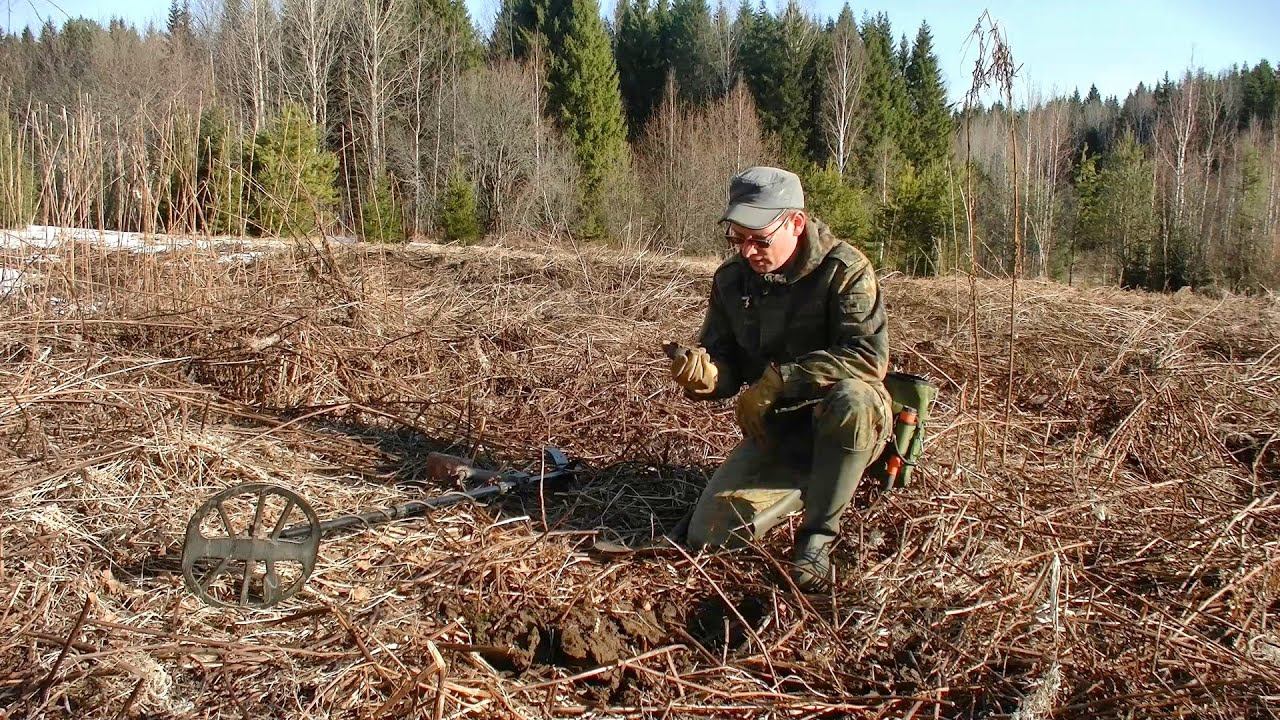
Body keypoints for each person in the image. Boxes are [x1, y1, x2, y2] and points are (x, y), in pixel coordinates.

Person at [668, 166, 891, 592]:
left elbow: (867, 358)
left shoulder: (844, 271)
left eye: (759, 239)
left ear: (796, 223)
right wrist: (708, 375)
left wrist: (777, 381)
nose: (747, 251)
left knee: (852, 401)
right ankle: (816, 479)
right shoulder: (732, 281)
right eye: (737, 238)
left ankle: (818, 537)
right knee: (710, 535)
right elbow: (726, 359)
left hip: (844, 414)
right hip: (780, 428)